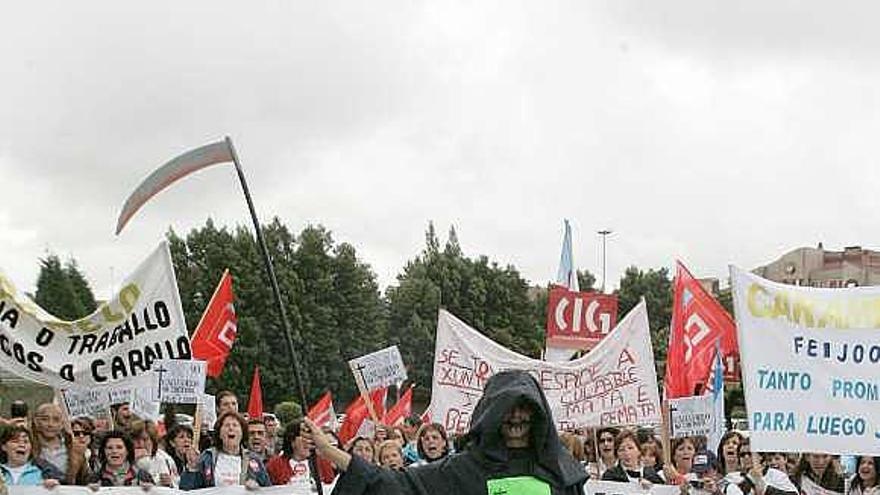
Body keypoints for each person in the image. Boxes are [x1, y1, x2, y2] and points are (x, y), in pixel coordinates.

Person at [302, 369, 588, 494]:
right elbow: (390, 484)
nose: (516, 417)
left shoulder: (560, 470)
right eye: (507, 409)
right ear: (492, 414)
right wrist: (328, 450)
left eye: (524, 408)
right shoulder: (464, 469)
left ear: (538, 414)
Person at [179, 411, 270, 489]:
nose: (231, 428)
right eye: (226, 425)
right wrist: (191, 468)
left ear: (242, 433)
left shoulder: (253, 459)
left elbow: (268, 489)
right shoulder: (207, 457)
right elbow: (187, 489)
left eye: (235, 425)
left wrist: (257, 489)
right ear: (219, 433)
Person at [31, 403, 90, 485]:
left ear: (62, 424)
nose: (50, 424)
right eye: (45, 419)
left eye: (56, 420)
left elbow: (84, 480)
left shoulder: (75, 450)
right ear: (36, 421)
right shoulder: (28, 449)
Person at [720, 439, 797, 495]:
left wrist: (765, 489)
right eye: (742, 455)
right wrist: (749, 480)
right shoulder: (731, 477)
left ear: (760, 456)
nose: (746, 457)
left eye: (750, 454)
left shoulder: (776, 475)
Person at [89, 430, 154, 487]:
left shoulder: (143, 477)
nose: (114, 451)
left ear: (127, 451)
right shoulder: (94, 479)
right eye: (109, 448)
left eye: (119, 447)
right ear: (103, 451)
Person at [266, 421, 315, 492]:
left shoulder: (321, 462)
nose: (308, 441)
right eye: (304, 437)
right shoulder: (274, 465)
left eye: (310, 437)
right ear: (292, 440)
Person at [130, 420, 177, 487]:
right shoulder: (123, 458)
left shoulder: (163, 459)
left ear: (153, 441)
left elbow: (176, 487)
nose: (141, 444)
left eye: (145, 439)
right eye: (136, 439)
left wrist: (169, 483)